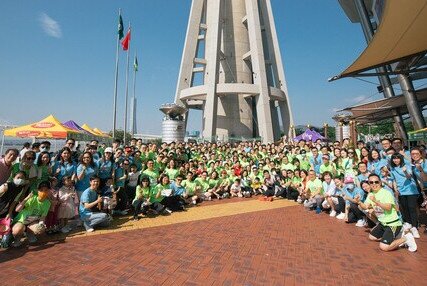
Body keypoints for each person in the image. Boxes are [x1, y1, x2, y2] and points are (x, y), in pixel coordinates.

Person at [358, 174, 417, 252]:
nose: (374, 184)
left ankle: (406, 238)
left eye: (376, 182)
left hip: (393, 224)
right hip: (383, 223)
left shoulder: (386, 193)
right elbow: (365, 206)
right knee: (372, 237)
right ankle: (395, 236)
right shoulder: (371, 194)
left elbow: (388, 208)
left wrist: (376, 201)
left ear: (380, 182)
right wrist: (358, 202)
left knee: (384, 247)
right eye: (371, 182)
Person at [11, 181, 52, 246]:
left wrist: (41, 224)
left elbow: (43, 217)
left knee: (40, 229)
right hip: (21, 221)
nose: (43, 192)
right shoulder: (32, 198)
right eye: (41, 190)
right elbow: (17, 209)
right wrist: (27, 198)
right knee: (17, 230)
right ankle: (17, 238)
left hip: (31, 222)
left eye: (46, 190)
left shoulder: (47, 203)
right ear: (38, 191)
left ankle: (29, 233)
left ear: (49, 191)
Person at [389, 153, 420, 238]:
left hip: (411, 191)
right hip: (401, 191)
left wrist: (405, 171)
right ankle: (409, 224)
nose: (396, 160)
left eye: (397, 158)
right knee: (405, 208)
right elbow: (394, 180)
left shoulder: (406, 165)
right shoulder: (392, 169)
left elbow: (409, 176)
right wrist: (396, 190)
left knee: (411, 208)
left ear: (401, 159)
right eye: (394, 158)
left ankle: (415, 227)